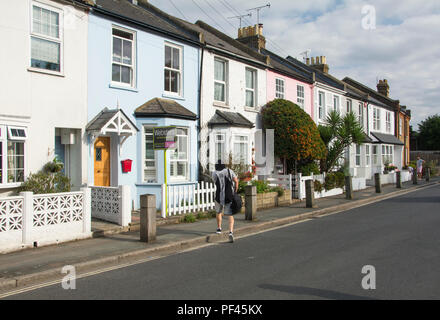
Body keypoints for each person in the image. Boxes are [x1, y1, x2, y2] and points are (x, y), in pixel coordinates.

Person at [212, 160, 238, 243]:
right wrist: (235, 191)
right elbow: (236, 181)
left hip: (219, 196)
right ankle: (230, 232)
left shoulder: (214, 173)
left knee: (218, 212)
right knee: (230, 214)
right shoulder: (229, 171)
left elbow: (215, 182)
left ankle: (219, 229)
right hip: (228, 196)